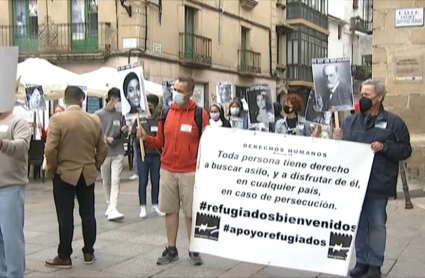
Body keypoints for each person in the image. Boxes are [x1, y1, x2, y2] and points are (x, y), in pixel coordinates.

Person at [333, 79, 412, 278]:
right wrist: (338, 138)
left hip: (379, 182)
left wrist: (385, 147)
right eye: (361, 94)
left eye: (367, 95)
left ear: (379, 98)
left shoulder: (394, 123)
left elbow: (405, 149)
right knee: (358, 223)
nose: (362, 98)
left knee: (377, 223)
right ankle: (361, 261)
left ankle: (375, 264)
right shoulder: (350, 121)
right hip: (355, 183)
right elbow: (343, 151)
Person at [137, 76, 209, 266]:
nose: (175, 93)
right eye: (174, 89)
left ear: (190, 94)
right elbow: (160, 141)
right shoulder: (166, 112)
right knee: (170, 210)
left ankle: (194, 249)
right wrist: (145, 138)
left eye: (179, 90)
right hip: (168, 169)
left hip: (190, 171)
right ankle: (171, 248)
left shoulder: (200, 114)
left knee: (191, 212)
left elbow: (208, 144)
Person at [45, 86, 108, 268]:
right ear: (82, 99)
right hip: (87, 173)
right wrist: (94, 165)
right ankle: (89, 252)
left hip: (65, 173)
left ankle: (64, 255)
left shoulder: (57, 119)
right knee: (88, 214)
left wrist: (52, 168)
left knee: (65, 216)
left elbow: (50, 148)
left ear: (65, 100)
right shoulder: (94, 119)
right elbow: (103, 149)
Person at [0, 104, 32, 278]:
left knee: (12, 239)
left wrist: (3, 144)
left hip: (10, 188)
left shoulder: (18, 123)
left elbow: (22, 146)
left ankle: (14, 274)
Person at [95, 88, 128, 221]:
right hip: (104, 152)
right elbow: (94, 132)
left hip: (118, 151)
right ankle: (109, 204)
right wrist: (105, 138)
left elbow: (125, 134)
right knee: (106, 180)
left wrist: (125, 130)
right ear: (112, 99)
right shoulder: (98, 114)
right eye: (118, 100)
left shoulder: (121, 115)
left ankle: (114, 207)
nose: (119, 103)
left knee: (116, 180)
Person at [131, 94, 164, 218]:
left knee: (155, 181)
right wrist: (137, 136)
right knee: (143, 181)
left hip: (156, 155)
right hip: (142, 155)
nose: (148, 107)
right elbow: (133, 135)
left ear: (155, 106)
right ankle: (142, 206)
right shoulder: (139, 119)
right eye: (147, 105)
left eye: (150, 105)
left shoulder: (159, 119)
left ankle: (155, 204)